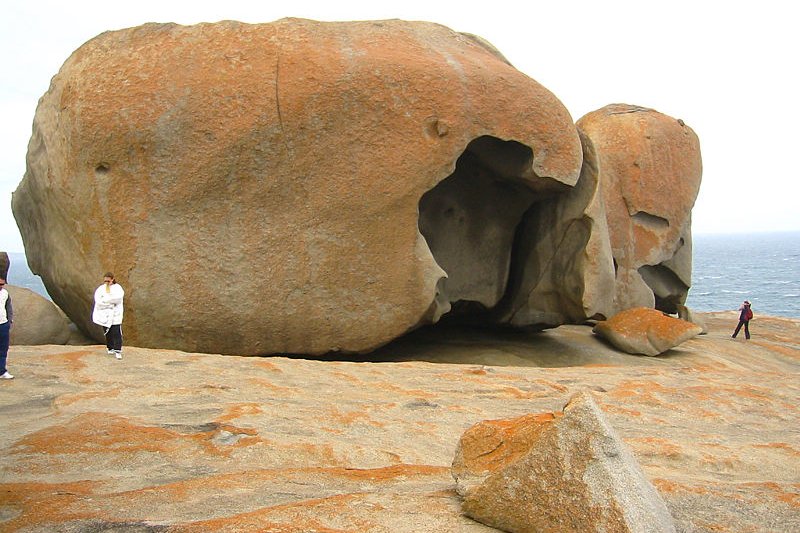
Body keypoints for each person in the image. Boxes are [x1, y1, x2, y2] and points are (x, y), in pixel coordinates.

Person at [93, 272, 125, 359]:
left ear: (112, 279)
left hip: (115, 314)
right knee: (108, 332)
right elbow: (98, 300)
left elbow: (117, 299)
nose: (106, 282)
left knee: (116, 332)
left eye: (108, 281)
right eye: (105, 281)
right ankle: (110, 348)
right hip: (105, 313)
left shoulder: (118, 288)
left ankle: (117, 350)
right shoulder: (101, 289)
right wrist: (107, 303)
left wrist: (107, 300)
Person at [0, 277, 13, 379]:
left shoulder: (5, 293)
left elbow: (8, 307)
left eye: (2, 284)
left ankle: (2, 371)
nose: (1, 286)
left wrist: (9, 320)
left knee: (3, 349)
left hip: (3, 324)